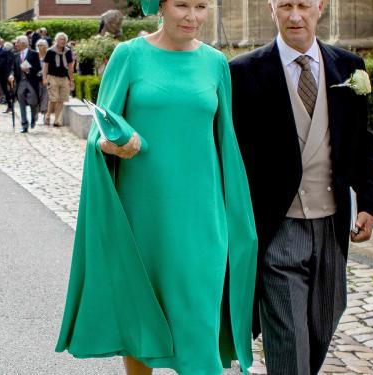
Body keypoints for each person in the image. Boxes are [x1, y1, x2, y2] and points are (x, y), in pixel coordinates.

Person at [55, 0, 257, 375]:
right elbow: (102, 125)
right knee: (141, 325)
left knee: (199, 333)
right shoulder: (128, 55)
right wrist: (111, 143)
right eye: (182, 4)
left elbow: (226, 142)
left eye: (201, 6)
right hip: (142, 217)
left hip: (202, 222)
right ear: (160, 7)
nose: (192, 16)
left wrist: (237, 217)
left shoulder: (215, 64)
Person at [229, 0, 373, 374]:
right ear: (271, 9)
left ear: (320, 7)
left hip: (332, 225)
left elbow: (364, 143)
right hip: (277, 227)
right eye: (285, 5)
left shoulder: (349, 68)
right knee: (288, 337)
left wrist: (369, 202)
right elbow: (231, 155)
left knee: (323, 322)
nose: (294, 15)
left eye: (303, 5)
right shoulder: (243, 72)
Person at [42, 32, 74, 126]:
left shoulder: (68, 52)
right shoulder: (50, 51)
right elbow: (45, 66)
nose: (62, 41)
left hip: (64, 78)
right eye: (60, 39)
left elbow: (70, 67)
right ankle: (47, 115)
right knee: (53, 99)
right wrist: (44, 78)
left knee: (62, 99)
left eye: (64, 39)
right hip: (52, 77)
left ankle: (56, 120)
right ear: (56, 40)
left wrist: (71, 80)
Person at [11, 35, 41, 133]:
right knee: (22, 104)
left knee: (33, 102)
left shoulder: (34, 54)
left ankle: (34, 117)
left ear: (23, 43)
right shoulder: (15, 55)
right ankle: (24, 125)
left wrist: (29, 69)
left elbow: (38, 68)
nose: (16, 44)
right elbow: (13, 69)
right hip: (21, 83)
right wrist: (11, 75)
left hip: (31, 82)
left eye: (17, 42)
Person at [0, 38, 15, 113]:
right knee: (5, 90)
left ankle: (10, 105)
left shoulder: (4, 51)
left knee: (5, 90)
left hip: (3, 74)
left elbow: (2, 63)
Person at [36, 39, 49, 120]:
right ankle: (36, 112)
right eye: (38, 45)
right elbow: (25, 63)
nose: (39, 47)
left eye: (41, 45)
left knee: (45, 95)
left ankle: (44, 112)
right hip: (36, 79)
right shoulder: (34, 55)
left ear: (45, 46)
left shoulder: (48, 55)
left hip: (46, 78)